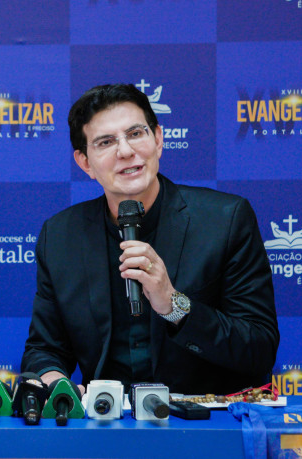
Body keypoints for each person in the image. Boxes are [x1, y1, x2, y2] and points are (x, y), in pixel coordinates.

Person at [21, 84, 279, 395]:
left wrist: (174, 304)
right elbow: (44, 350)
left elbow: (259, 348)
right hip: (107, 419)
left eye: (135, 134)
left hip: (204, 417)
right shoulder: (60, 235)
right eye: (106, 142)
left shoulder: (226, 220)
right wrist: (59, 387)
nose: (125, 151)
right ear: (85, 162)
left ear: (158, 139)